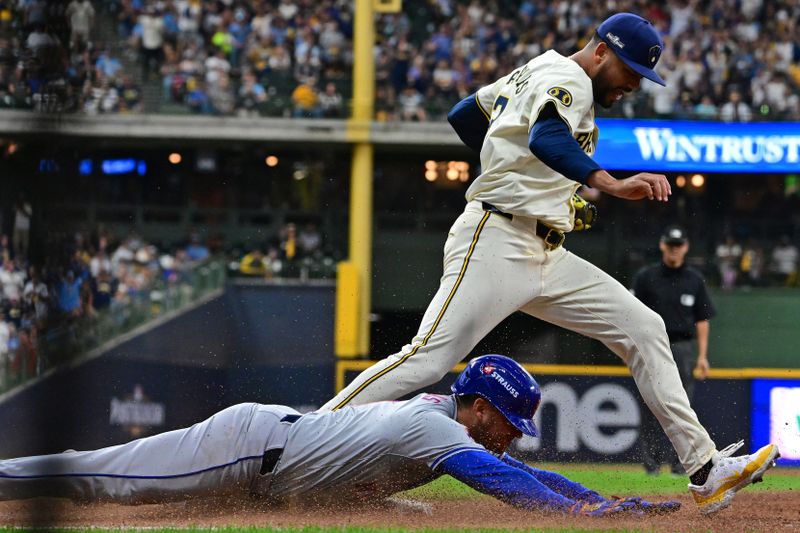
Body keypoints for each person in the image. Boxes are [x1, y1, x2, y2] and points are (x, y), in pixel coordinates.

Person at [320, 12, 779, 515]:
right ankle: (299, 439)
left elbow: (465, 116)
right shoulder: (570, 78)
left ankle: (705, 469)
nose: (633, 85)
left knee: (644, 327)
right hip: (495, 239)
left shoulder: (536, 70)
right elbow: (545, 139)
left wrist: (540, 184)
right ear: (601, 51)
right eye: (629, 70)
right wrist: (607, 181)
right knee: (425, 357)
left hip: (544, 250)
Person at [0, 355, 678, 517]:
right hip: (250, 445)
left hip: (277, 471)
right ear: (475, 406)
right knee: (107, 476)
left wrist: (596, 500)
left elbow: (530, 474)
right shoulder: (429, 425)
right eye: (507, 421)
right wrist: (581, 511)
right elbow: (511, 484)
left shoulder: (448, 422)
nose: (514, 435)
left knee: (396, 509)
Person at [631, 226, 715, 475]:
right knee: (650, 402)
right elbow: (632, 314)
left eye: (678, 245)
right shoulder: (646, 277)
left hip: (682, 346)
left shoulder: (694, 279)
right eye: (671, 245)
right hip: (652, 345)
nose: (674, 249)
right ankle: (652, 463)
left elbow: (702, 320)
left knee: (683, 405)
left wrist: (702, 356)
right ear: (662, 245)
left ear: (686, 247)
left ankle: (683, 463)